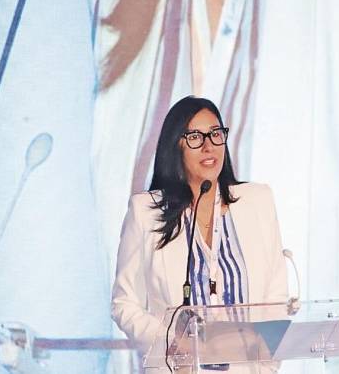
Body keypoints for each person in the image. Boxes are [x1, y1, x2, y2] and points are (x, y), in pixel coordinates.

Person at [111, 96, 288, 371]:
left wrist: (267, 366)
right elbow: (124, 303)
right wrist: (171, 341)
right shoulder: (146, 212)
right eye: (195, 136)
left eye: (216, 134)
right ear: (176, 146)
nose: (209, 146)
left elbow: (276, 299)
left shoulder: (258, 201)